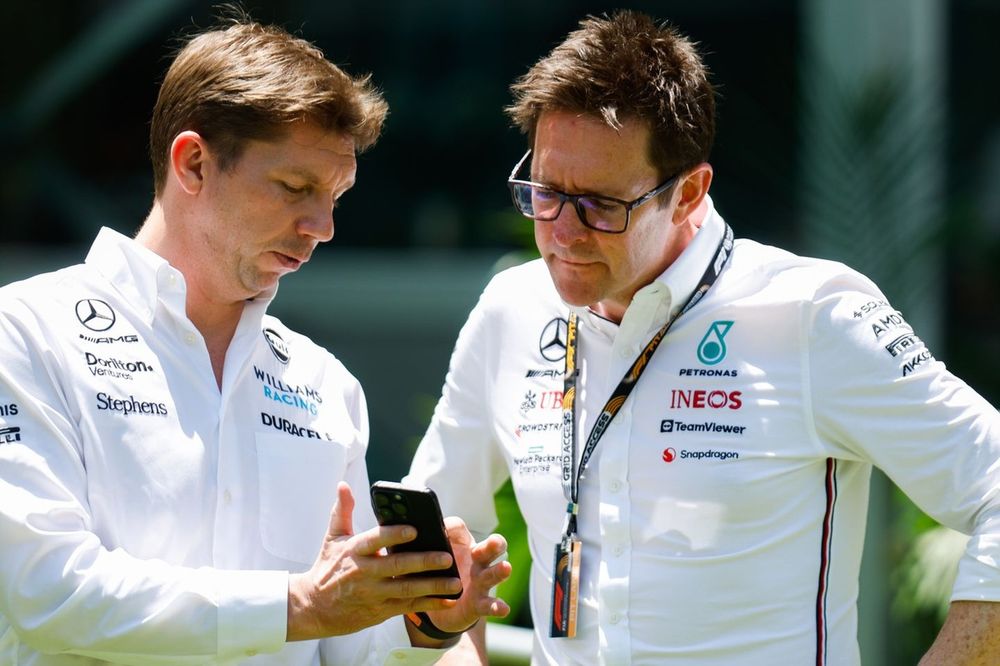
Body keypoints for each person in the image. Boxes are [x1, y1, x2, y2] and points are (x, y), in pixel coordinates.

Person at [405, 9, 1000, 665]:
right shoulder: (510, 308)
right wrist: (442, 633)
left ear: (689, 192)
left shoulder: (815, 315)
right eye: (545, 193)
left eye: (600, 205)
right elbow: (430, 548)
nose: (563, 233)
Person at [0, 14, 510, 665]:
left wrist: (422, 621)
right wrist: (298, 605)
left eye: (335, 196)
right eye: (295, 188)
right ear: (193, 164)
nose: (322, 226)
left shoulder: (325, 384)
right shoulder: (25, 332)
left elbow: (344, 648)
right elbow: (47, 590)